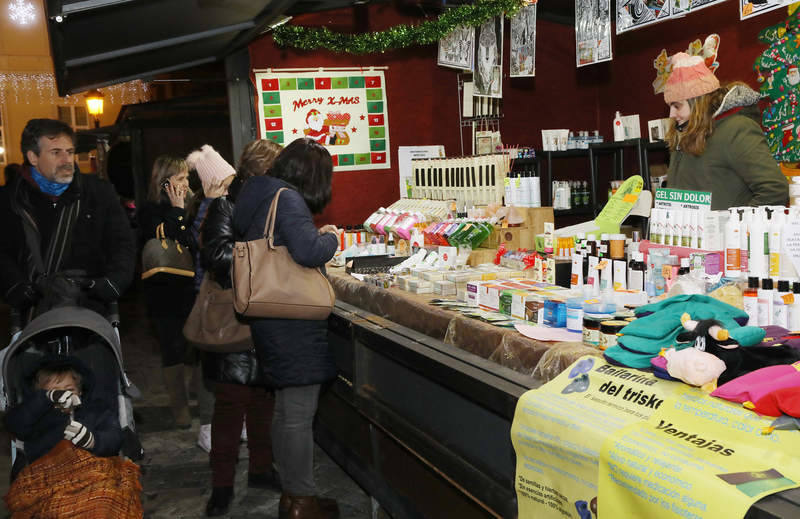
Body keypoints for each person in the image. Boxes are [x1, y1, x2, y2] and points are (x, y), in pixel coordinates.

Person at [232, 138, 340, 519]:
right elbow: (309, 251)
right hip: (293, 319)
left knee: (284, 411)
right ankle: (303, 501)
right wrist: (332, 237)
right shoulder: (287, 198)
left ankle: (293, 496)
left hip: (269, 317)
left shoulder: (254, 192)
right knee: (297, 414)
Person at [199, 139, 283, 516]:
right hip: (233, 317)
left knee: (264, 400)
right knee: (231, 406)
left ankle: (262, 470)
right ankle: (222, 486)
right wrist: (267, 253)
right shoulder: (227, 204)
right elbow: (216, 255)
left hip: (266, 314)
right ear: (259, 171)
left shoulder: (275, 205)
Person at [0, 119, 135, 318]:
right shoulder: (10, 199)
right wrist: (18, 288)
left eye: (70, 152)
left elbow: (122, 243)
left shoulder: (98, 192)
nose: (67, 160)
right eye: (56, 153)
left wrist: (113, 283)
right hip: (31, 315)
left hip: (91, 311)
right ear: (33, 157)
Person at [4, 356, 142, 517]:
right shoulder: (37, 416)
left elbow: (114, 437)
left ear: (80, 391)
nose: (64, 395)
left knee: (104, 497)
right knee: (54, 509)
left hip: (94, 471)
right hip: (49, 475)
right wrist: (45, 400)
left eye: (69, 390)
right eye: (54, 391)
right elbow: (14, 424)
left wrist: (92, 441)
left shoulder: (95, 410)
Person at [664, 52, 788, 210]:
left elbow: (775, 189)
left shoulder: (737, 129)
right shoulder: (683, 134)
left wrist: (735, 227)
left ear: (697, 103)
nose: (672, 115)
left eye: (677, 106)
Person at [138, 155, 200, 429]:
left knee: (196, 344)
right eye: (180, 179)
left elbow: (192, 239)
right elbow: (167, 235)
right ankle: (179, 406)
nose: (186, 184)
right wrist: (176, 210)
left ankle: (197, 393)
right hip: (163, 291)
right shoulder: (150, 209)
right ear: (164, 183)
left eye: (187, 178)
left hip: (192, 286)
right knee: (172, 346)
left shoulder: (194, 205)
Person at [186, 144, 237, 453]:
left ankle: (229, 422)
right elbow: (204, 245)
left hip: (220, 293)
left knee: (227, 357)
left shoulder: (216, 206)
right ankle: (208, 426)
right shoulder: (207, 209)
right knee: (212, 359)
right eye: (227, 183)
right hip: (208, 296)